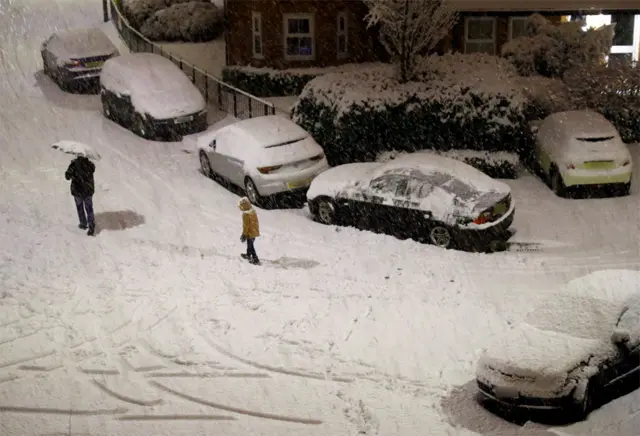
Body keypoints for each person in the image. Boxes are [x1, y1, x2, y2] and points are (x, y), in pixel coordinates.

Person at [65, 155, 96, 236]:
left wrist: (71, 169)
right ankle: (91, 224)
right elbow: (92, 170)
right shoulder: (90, 165)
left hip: (77, 190)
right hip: (88, 190)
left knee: (80, 207)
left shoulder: (74, 164)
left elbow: (67, 177)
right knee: (89, 208)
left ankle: (83, 223)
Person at [238, 197, 260, 264]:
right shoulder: (253, 211)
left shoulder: (246, 214)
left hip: (250, 233)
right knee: (250, 244)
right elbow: (255, 223)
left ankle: (255, 259)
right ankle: (248, 255)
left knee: (251, 246)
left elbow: (246, 226)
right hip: (254, 231)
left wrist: (244, 234)